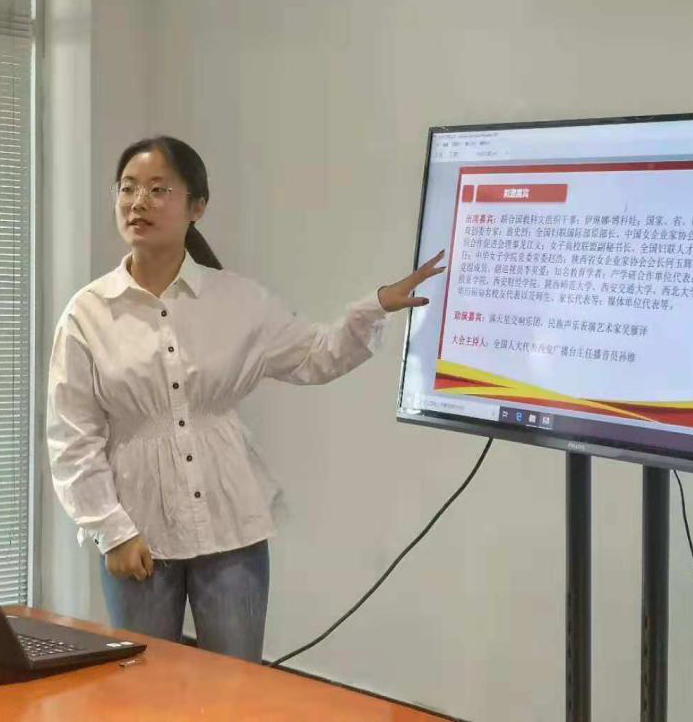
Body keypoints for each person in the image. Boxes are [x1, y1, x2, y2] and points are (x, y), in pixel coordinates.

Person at [47, 136, 445, 662]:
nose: (138, 202)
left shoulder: (237, 300)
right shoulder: (87, 313)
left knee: (237, 687)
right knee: (143, 689)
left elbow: (316, 357)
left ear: (197, 207)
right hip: (137, 533)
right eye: (128, 188)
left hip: (230, 527)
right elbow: (72, 438)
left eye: (158, 189)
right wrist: (111, 531)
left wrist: (375, 307)